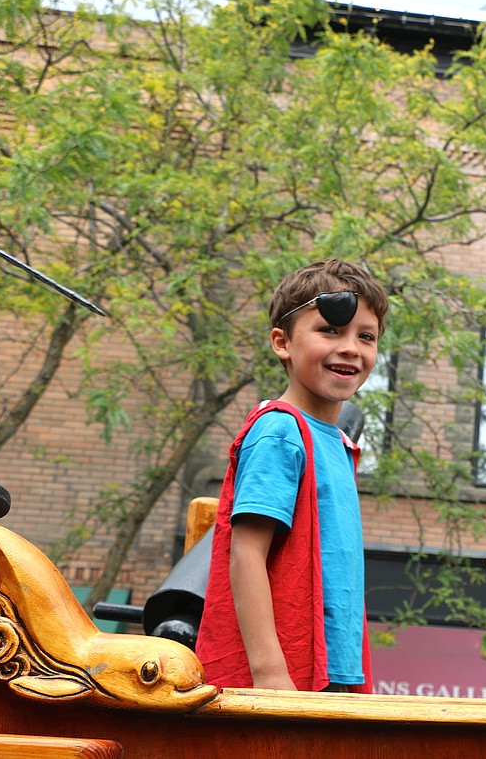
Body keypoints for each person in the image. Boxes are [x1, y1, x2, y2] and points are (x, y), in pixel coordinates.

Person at [197, 258, 388, 693]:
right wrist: (269, 676)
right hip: (286, 679)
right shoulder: (281, 430)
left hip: (334, 672)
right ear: (282, 343)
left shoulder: (337, 444)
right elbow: (246, 554)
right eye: (330, 331)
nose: (351, 348)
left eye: (366, 337)